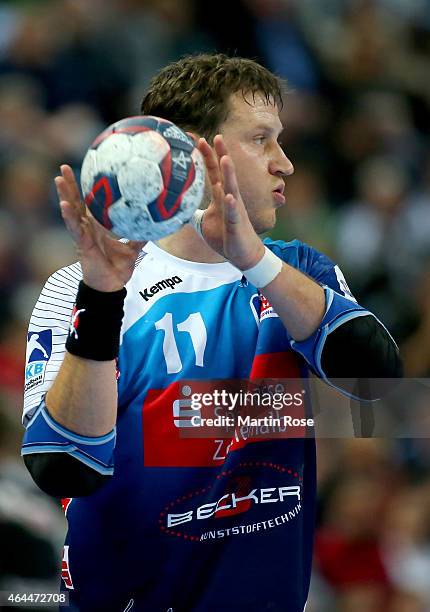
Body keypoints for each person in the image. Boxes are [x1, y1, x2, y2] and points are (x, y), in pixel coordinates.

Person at [21, 54, 401, 612]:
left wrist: (253, 261)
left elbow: (377, 384)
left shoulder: (299, 272)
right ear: (199, 153)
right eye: (261, 140)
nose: (285, 164)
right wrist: (102, 303)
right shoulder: (81, 287)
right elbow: (64, 466)